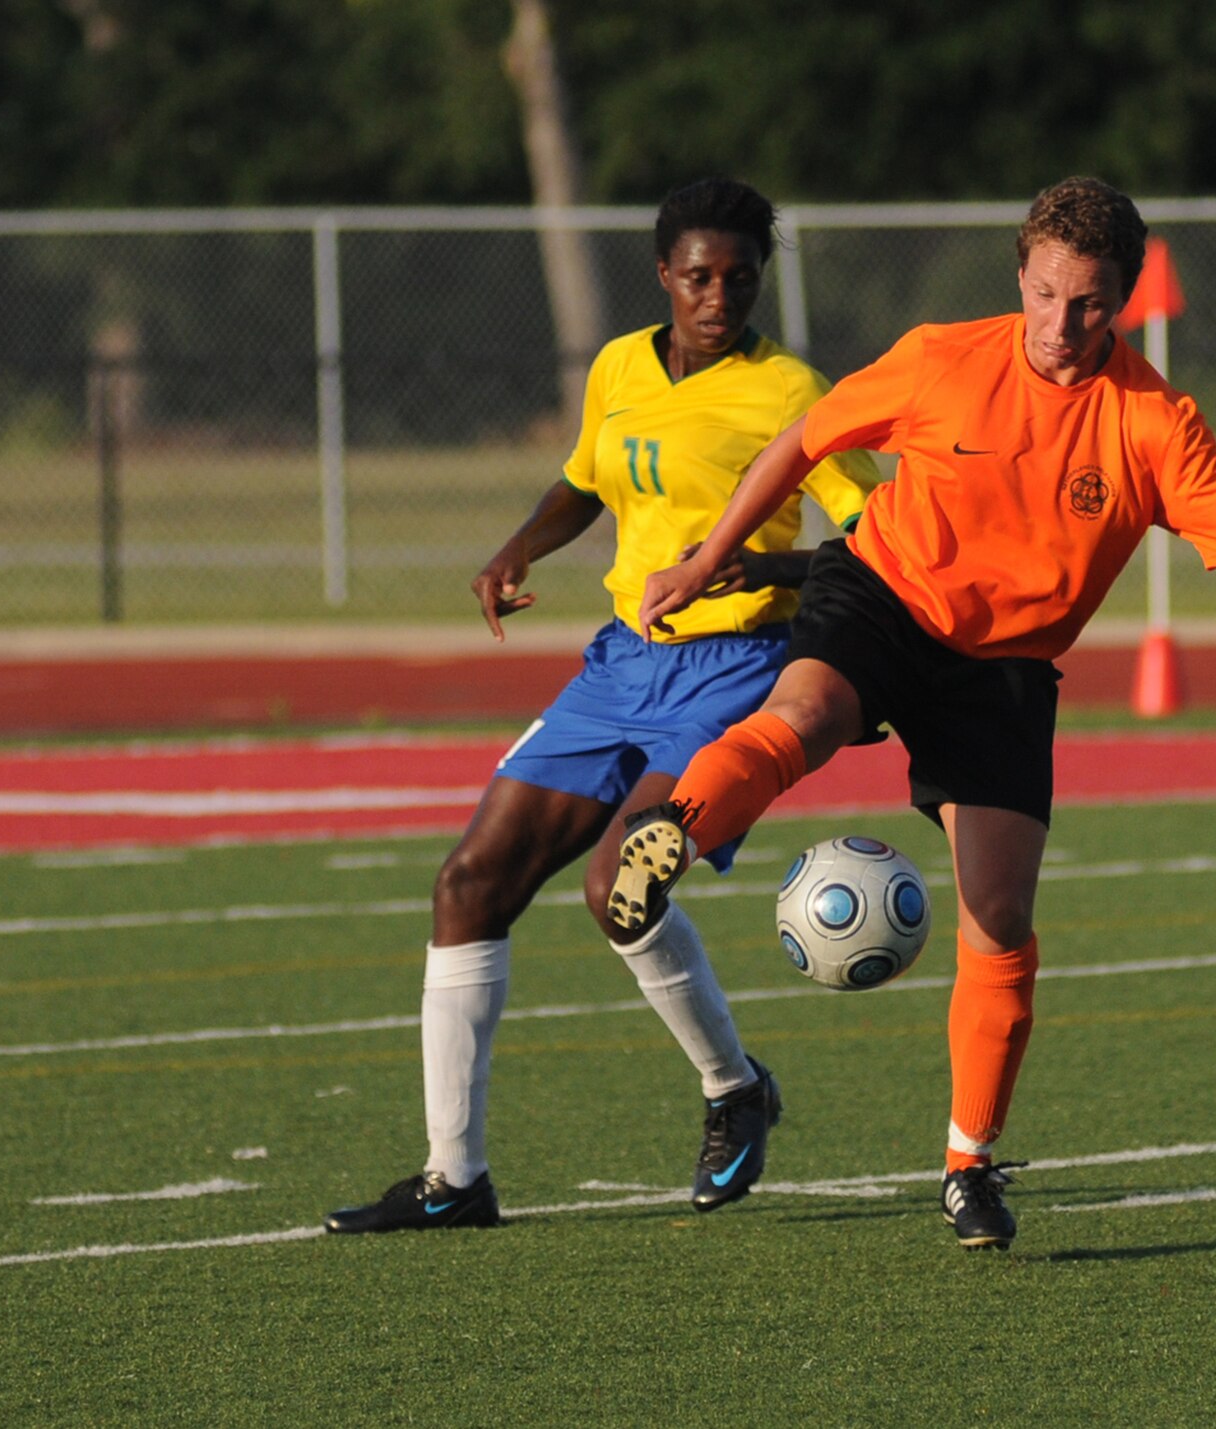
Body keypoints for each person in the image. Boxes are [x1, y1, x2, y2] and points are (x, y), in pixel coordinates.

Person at [610, 176, 1216, 1252]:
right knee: (804, 711)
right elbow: (803, 444)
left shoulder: (1153, 422)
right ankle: (673, 833)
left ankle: (968, 1165)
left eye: (1088, 303)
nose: (1061, 325)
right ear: (1019, 277)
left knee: (997, 919)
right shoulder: (941, 357)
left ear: (1123, 300)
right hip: (881, 593)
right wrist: (707, 557)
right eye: (1044, 295)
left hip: (1000, 672)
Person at [325, 177, 878, 1233]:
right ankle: (454, 1179)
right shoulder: (621, 365)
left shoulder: (795, 392)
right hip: (620, 664)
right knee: (467, 882)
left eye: (741, 275)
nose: (720, 294)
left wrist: (760, 568)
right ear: (663, 275)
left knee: (617, 885)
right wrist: (518, 544)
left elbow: (874, 539)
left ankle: (733, 1089)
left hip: (735, 670)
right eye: (700, 275)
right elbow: (584, 480)